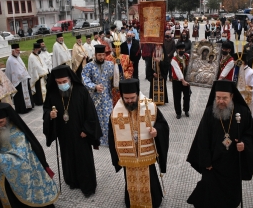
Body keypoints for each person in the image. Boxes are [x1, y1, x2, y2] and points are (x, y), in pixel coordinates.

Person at [187, 80, 253, 208]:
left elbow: (250, 134)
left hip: (233, 165)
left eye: (224, 98)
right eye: (218, 98)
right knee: (209, 197)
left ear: (232, 96)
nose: (221, 101)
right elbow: (202, 138)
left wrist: (244, 144)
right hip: (213, 165)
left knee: (230, 198)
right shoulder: (210, 112)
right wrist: (206, 162)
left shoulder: (242, 112)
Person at [108, 78, 170, 208]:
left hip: (146, 152)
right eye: (126, 98)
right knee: (130, 179)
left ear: (137, 94)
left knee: (150, 179)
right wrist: (116, 155)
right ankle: (132, 201)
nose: (129, 101)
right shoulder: (116, 112)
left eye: (132, 98)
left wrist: (156, 130)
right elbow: (111, 135)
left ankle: (154, 200)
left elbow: (163, 124)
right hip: (129, 155)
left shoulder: (149, 106)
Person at [0, 103, 59, 207]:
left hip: (20, 173)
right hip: (1, 174)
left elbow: (21, 157)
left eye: (1, 122)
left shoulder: (17, 133)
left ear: (7, 119)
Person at [43, 65, 102, 196]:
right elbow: (46, 109)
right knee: (68, 158)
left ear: (70, 79)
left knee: (83, 159)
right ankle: (72, 181)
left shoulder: (81, 91)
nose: (62, 84)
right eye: (59, 82)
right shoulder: (52, 93)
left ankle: (87, 185)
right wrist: (49, 115)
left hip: (80, 134)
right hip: (63, 134)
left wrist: (86, 130)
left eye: (64, 81)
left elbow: (91, 112)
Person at [82, 45, 114, 146]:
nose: (101, 57)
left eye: (103, 55)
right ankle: (98, 139)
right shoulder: (89, 66)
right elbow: (84, 79)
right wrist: (94, 86)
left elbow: (115, 78)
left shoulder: (110, 64)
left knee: (109, 117)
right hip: (95, 98)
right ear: (95, 55)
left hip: (107, 97)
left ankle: (110, 139)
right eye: (99, 55)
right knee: (97, 119)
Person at [233, 53, 253, 129]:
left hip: (247, 103)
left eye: (235, 61)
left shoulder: (250, 73)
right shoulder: (237, 70)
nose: (234, 62)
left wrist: (241, 89)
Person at [5, 43, 34, 114]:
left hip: (24, 79)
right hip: (17, 82)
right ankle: (22, 109)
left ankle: (28, 107)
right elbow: (9, 72)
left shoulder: (18, 57)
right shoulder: (10, 60)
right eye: (17, 50)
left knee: (27, 94)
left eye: (19, 50)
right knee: (20, 96)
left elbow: (23, 67)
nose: (19, 52)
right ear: (13, 51)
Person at [106, 41, 133, 106]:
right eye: (115, 48)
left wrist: (125, 75)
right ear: (112, 49)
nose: (117, 50)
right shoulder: (107, 59)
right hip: (113, 88)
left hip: (124, 85)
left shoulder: (126, 57)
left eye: (119, 48)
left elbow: (130, 68)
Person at [171, 43, 191, 119]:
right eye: (180, 50)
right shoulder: (174, 59)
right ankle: (178, 112)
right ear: (177, 50)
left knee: (187, 96)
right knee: (177, 97)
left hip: (187, 80)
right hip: (177, 81)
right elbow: (178, 71)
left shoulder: (187, 56)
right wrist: (182, 80)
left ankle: (186, 110)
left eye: (183, 49)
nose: (181, 51)